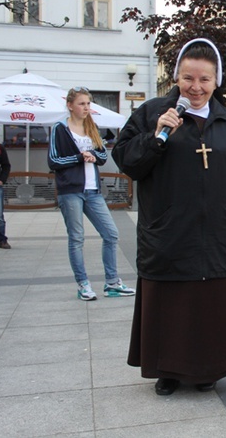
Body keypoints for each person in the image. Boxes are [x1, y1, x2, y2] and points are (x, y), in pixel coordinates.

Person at [112, 38, 226, 396]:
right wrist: (156, 137)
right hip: (169, 228)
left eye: (205, 79)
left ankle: (208, 369)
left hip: (216, 230)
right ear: (177, 77)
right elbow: (127, 161)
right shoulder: (151, 113)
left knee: (210, 303)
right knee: (170, 303)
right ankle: (167, 371)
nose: (196, 87)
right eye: (188, 78)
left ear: (216, 81)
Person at [48, 87, 135, 301]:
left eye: (88, 103)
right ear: (70, 105)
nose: (86, 107)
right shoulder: (60, 129)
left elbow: (103, 156)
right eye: (82, 103)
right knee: (77, 238)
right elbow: (53, 161)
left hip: (93, 191)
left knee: (111, 233)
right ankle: (83, 284)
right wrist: (79, 157)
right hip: (71, 191)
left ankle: (112, 283)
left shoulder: (92, 127)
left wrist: (93, 156)